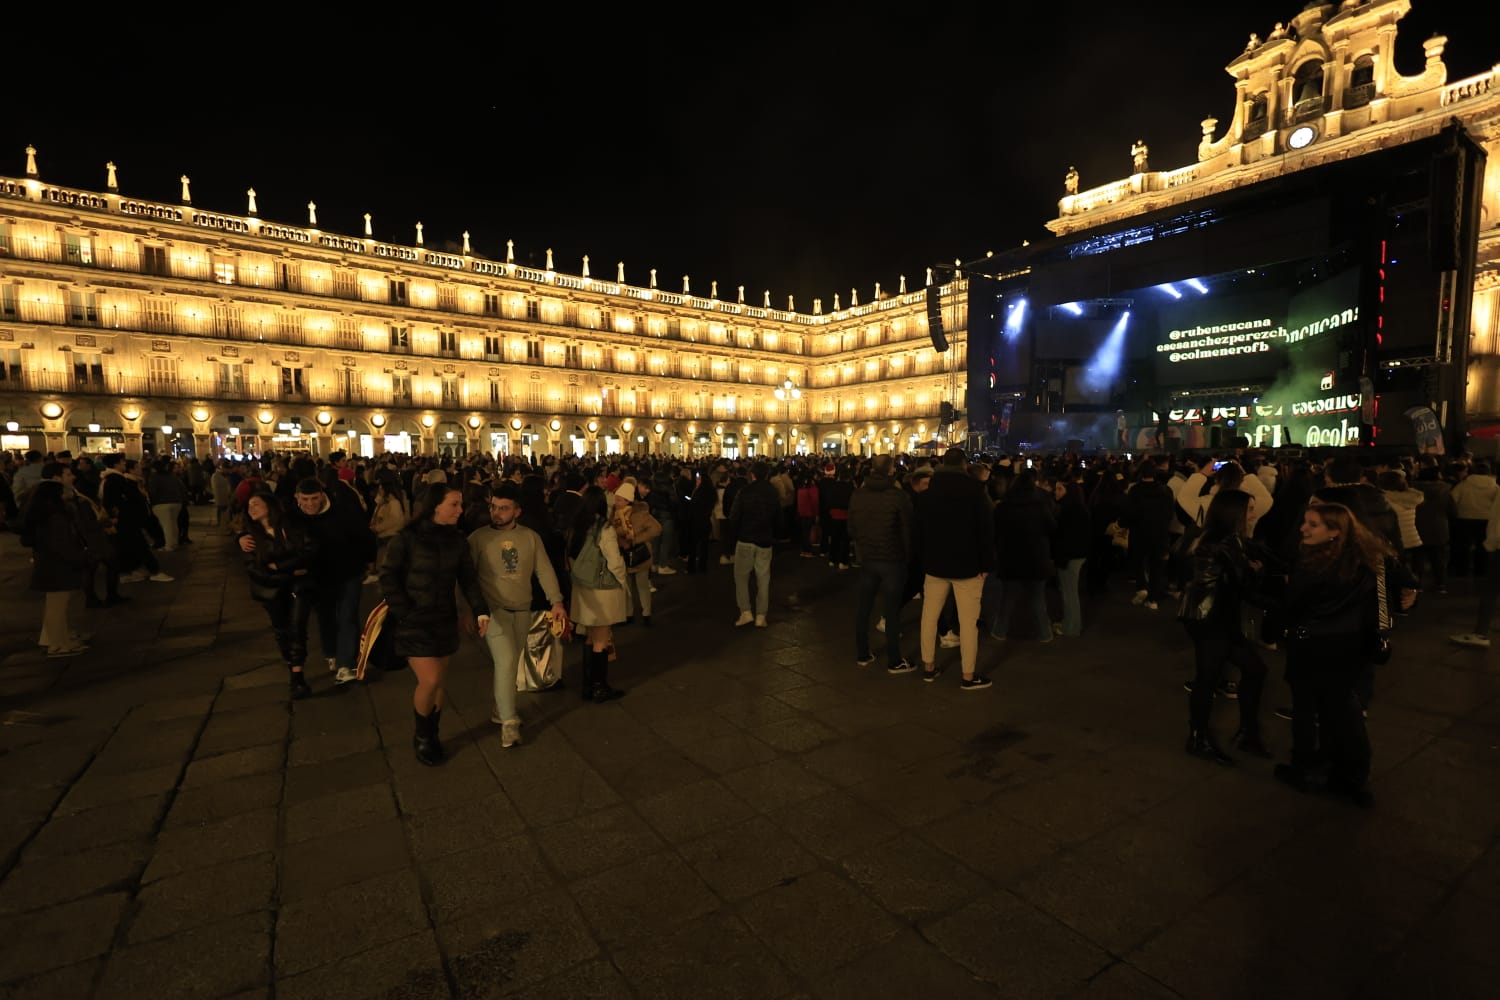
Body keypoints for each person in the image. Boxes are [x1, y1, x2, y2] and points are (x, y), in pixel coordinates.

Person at [1274, 502, 1404, 807]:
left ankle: (1306, 767)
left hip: (1312, 646)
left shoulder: (1313, 567)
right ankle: (1348, 773)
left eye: (1313, 524)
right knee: (1343, 709)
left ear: (1335, 532)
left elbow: (1290, 608)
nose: (1303, 528)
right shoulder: (1370, 560)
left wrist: (1276, 626)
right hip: (1351, 648)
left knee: (1306, 707)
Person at [380, 482, 490, 765]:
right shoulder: (407, 538)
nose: (460, 509)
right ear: (435, 506)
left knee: (439, 682)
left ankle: (433, 733)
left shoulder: (457, 540)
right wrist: (403, 610)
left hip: (443, 618)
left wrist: (480, 610)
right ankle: (422, 736)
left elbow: (468, 579)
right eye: (454, 504)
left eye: (460, 504)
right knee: (429, 680)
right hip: (414, 620)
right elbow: (388, 575)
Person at [240, 477, 376, 684]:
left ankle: (345, 664)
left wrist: (369, 561)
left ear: (322, 496)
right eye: (305, 499)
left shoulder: (343, 511)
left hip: (349, 571)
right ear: (297, 498)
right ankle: (331, 652)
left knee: (347, 617)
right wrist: (240, 537)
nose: (310, 504)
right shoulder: (292, 516)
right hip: (318, 574)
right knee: (325, 616)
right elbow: (266, 523)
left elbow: (365, 536)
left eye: (314, 498)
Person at [1176, 489, 1271, 765]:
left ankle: (1246, 731)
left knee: (1252, 670)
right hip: (1212, 620)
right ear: (1235, 514)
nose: (1253, 514)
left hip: (1206, 617)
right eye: (1249, 509)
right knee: (1209, 678)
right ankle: (1199, 737)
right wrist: (1257, 573)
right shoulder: (1226, 543)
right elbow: (1243, 586)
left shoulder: (1207, 537)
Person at [469, 481, 567, 748]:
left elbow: (544, 570)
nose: (496, 513)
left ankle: (500, 710)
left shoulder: (530, 537)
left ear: (517, 511)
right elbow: (467, 578)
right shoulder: (478, 538)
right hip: (493, 611)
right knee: (507, 660)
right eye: (494, 507)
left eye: (503, 508)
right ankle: (510, 723)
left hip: (522, 608)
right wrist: (471, 610)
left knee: (512, 662)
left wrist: (556, 601)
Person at [914, 447, 994, 689]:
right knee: (969, 623)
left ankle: (928, 666)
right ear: (964, 465)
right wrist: (986, 564)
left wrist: (923, 559)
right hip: (968, 565)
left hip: (935, 564)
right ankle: (968, 675)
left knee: (929, 616)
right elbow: (985, 531)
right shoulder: (975, 492)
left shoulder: (927, 495)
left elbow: (919, 532)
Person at [242, 491, 316, 699]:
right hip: (272, 591)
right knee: (282, 631)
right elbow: (256, 570)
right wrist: (290, 573)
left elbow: (307, 553)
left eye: (256, 504)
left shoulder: (290, 526)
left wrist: (280, 568)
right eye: (249, 506)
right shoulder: (250, 537)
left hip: (298, 588)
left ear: (269, 506)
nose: (252, 509)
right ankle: (292, 663)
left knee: (298, 629)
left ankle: (297, 676)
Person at [848, 453, 915, 673]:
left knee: (863, 608)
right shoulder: (898, 496)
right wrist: (907, 556)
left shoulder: (858, 494)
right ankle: (895, 660)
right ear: (890, 470)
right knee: (892, 610)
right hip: (892, 559)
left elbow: (851, 528)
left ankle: (862, 653)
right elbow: (907, 529)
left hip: (868, 558)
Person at [566, 485, 628, 702]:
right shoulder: (604, 527)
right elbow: (614, 560)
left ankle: (587, 685)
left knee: (590, 637)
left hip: (582, 586)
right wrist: (623, 580)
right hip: (602, 588)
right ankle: (600, 687)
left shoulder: (578, 525)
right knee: (602, 638)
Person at [23, 472, 92, 657]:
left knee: (57, 607)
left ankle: (62, 640)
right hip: (58, 568)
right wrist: (80, 557)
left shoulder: (45, 516)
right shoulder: (55, 518)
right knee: (57, 608)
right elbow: (62, 545)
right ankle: (57, 645)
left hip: (53, 566)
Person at [986, 469, 1057, 642]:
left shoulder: (1003, 507)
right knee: (1038, 599)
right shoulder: (1041, 507)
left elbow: (995, 533)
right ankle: (1045, 633)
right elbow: (1052, 529)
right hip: (1036, 557)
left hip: (1011, 556)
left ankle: (999, 631)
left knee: (1007, 598)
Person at [729, 461, 779, 627]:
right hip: (765, 540)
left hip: (746, 539)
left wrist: (732, 538)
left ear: (752, 474)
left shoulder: (745, 491)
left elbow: (735, 516)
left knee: (741, 577)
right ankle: (761, 616)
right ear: (767, 474)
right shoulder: (773, 492)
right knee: (763, 579)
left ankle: (745, 612)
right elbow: (779, 517)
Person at [611, 480, 661, 626]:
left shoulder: (641, 514)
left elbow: (656, 528)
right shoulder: (614, 515)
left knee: (642, 585)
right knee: (626, 587)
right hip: (623, 555)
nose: (616, 502)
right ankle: (628, 613)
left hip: (640, 556)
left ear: (628, 500)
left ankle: (646, 613)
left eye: (619, 499)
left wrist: (637, 539)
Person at [1051, 477, 1091, 637]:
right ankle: (1070, 624)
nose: (1056, 492)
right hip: (1077, 555)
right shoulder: (1079, 509)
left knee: (1069, 593)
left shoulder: (1068, 510)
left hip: (1069, 556)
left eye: (1060, 489)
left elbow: (1064, 537)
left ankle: (1071, 627)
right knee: (1070, 592)